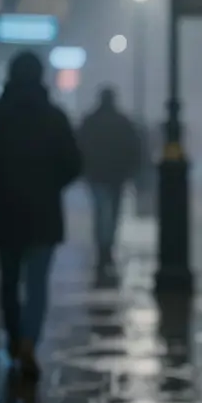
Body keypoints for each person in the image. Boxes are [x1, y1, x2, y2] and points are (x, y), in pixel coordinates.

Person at [0, 52, 82, 378]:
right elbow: (73, 163)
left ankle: (14, 338)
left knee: (9, 280)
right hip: (43, 213)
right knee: (37, 284)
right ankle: (30, 340)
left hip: (5, 212)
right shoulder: (54, 117)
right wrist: (50, 185)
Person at [76, 86, 143, 278]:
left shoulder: (90, 121)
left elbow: (79, 146)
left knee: (100, 213)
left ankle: (102, 250)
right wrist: (132, 171)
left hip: (96, 176)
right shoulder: (122, 122)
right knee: (113, 214)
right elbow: (134, 147)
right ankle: (108, 248)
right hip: (117, 176)